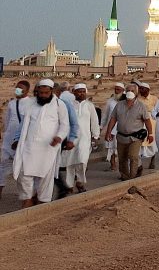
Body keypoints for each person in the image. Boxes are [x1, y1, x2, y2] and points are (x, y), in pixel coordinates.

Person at [11, 79, 69, 207]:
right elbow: (23, 125)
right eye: (40, 93)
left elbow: (65, 125)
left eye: (45, 93)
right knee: (24, 177)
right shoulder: (31, 104)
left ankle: (41, 208)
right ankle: (27, 203)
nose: (43, 95)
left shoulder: (60, 105)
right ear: (37, 91)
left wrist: (59, 137)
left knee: (45, 182)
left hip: (47, 150)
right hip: (28, 149)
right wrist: (16, 139)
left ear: (51, 91)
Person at [103, 91, 155, 181]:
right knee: (122, 157)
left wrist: (150, 134)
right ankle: (125, 176)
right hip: (121, 136)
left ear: (134, 98)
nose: (129, 101)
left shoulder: (141, 106)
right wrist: (108, 132)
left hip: (135, 136)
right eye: (127, 99)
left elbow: (147, 120)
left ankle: (132, 176)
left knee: (133, 156)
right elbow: (113, 119)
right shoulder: (119, 105)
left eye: (131, 99)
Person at [59, 84, 100, 194]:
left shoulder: (89, 105)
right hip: (71, 138)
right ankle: (69, 185)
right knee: (70, 162)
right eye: (79, 91)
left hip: (85, 138)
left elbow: (94, 121)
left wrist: (95, 136)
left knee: (82, 160)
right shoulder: (69, 105)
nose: (81, 93)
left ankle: (80, 182)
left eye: (83, 91)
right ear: (74, 92)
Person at [0, 80, 31, 199]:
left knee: (22, 170)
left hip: (22, 142)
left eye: (20, 88)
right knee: (2, 166)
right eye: (17, 87)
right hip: (8, 141)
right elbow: (7, 121)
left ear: (27, 91)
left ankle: (26, 195)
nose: (17, 90)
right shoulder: (11, 104)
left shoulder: (31, 104)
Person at [100, 82, 126, 171]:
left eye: (118, 89)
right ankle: (113, 163)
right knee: (111, 146)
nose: (116, 91)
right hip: (111, 127)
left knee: (121, 147)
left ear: (123, 90)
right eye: (115, 89)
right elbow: (105, 115)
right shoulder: (110, 101)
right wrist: (101, 126)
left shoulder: (127, 101)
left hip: (123, 128)